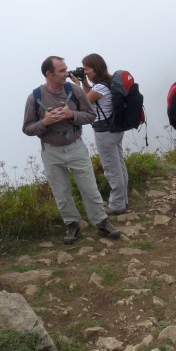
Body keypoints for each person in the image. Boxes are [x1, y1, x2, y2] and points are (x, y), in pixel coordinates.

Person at [22, 55, 121, 243]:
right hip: (51, 151)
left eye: (66, 69)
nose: (67, 74)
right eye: (62, 71)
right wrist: (45, 122)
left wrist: (71, 114)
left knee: (89, 187)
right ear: (48, 74)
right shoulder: (35, 98)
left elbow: (91, 115)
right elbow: (27, 128)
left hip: (76, 147)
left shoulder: (74, 90)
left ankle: (101, 221)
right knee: (61, 192)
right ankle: (72, 225)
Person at [72, 53, 129, 215]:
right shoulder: (107, 83)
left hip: (105, 133)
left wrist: (76, 84)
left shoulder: (100, 87)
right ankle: (123, 200)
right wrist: (83, 81)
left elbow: (82, 102)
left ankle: (117, 205)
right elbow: (90, 95)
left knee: (112, 169)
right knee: (119, 165)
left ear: (96, 69)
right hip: (114, 130)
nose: (85, 72)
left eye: (87, 69)